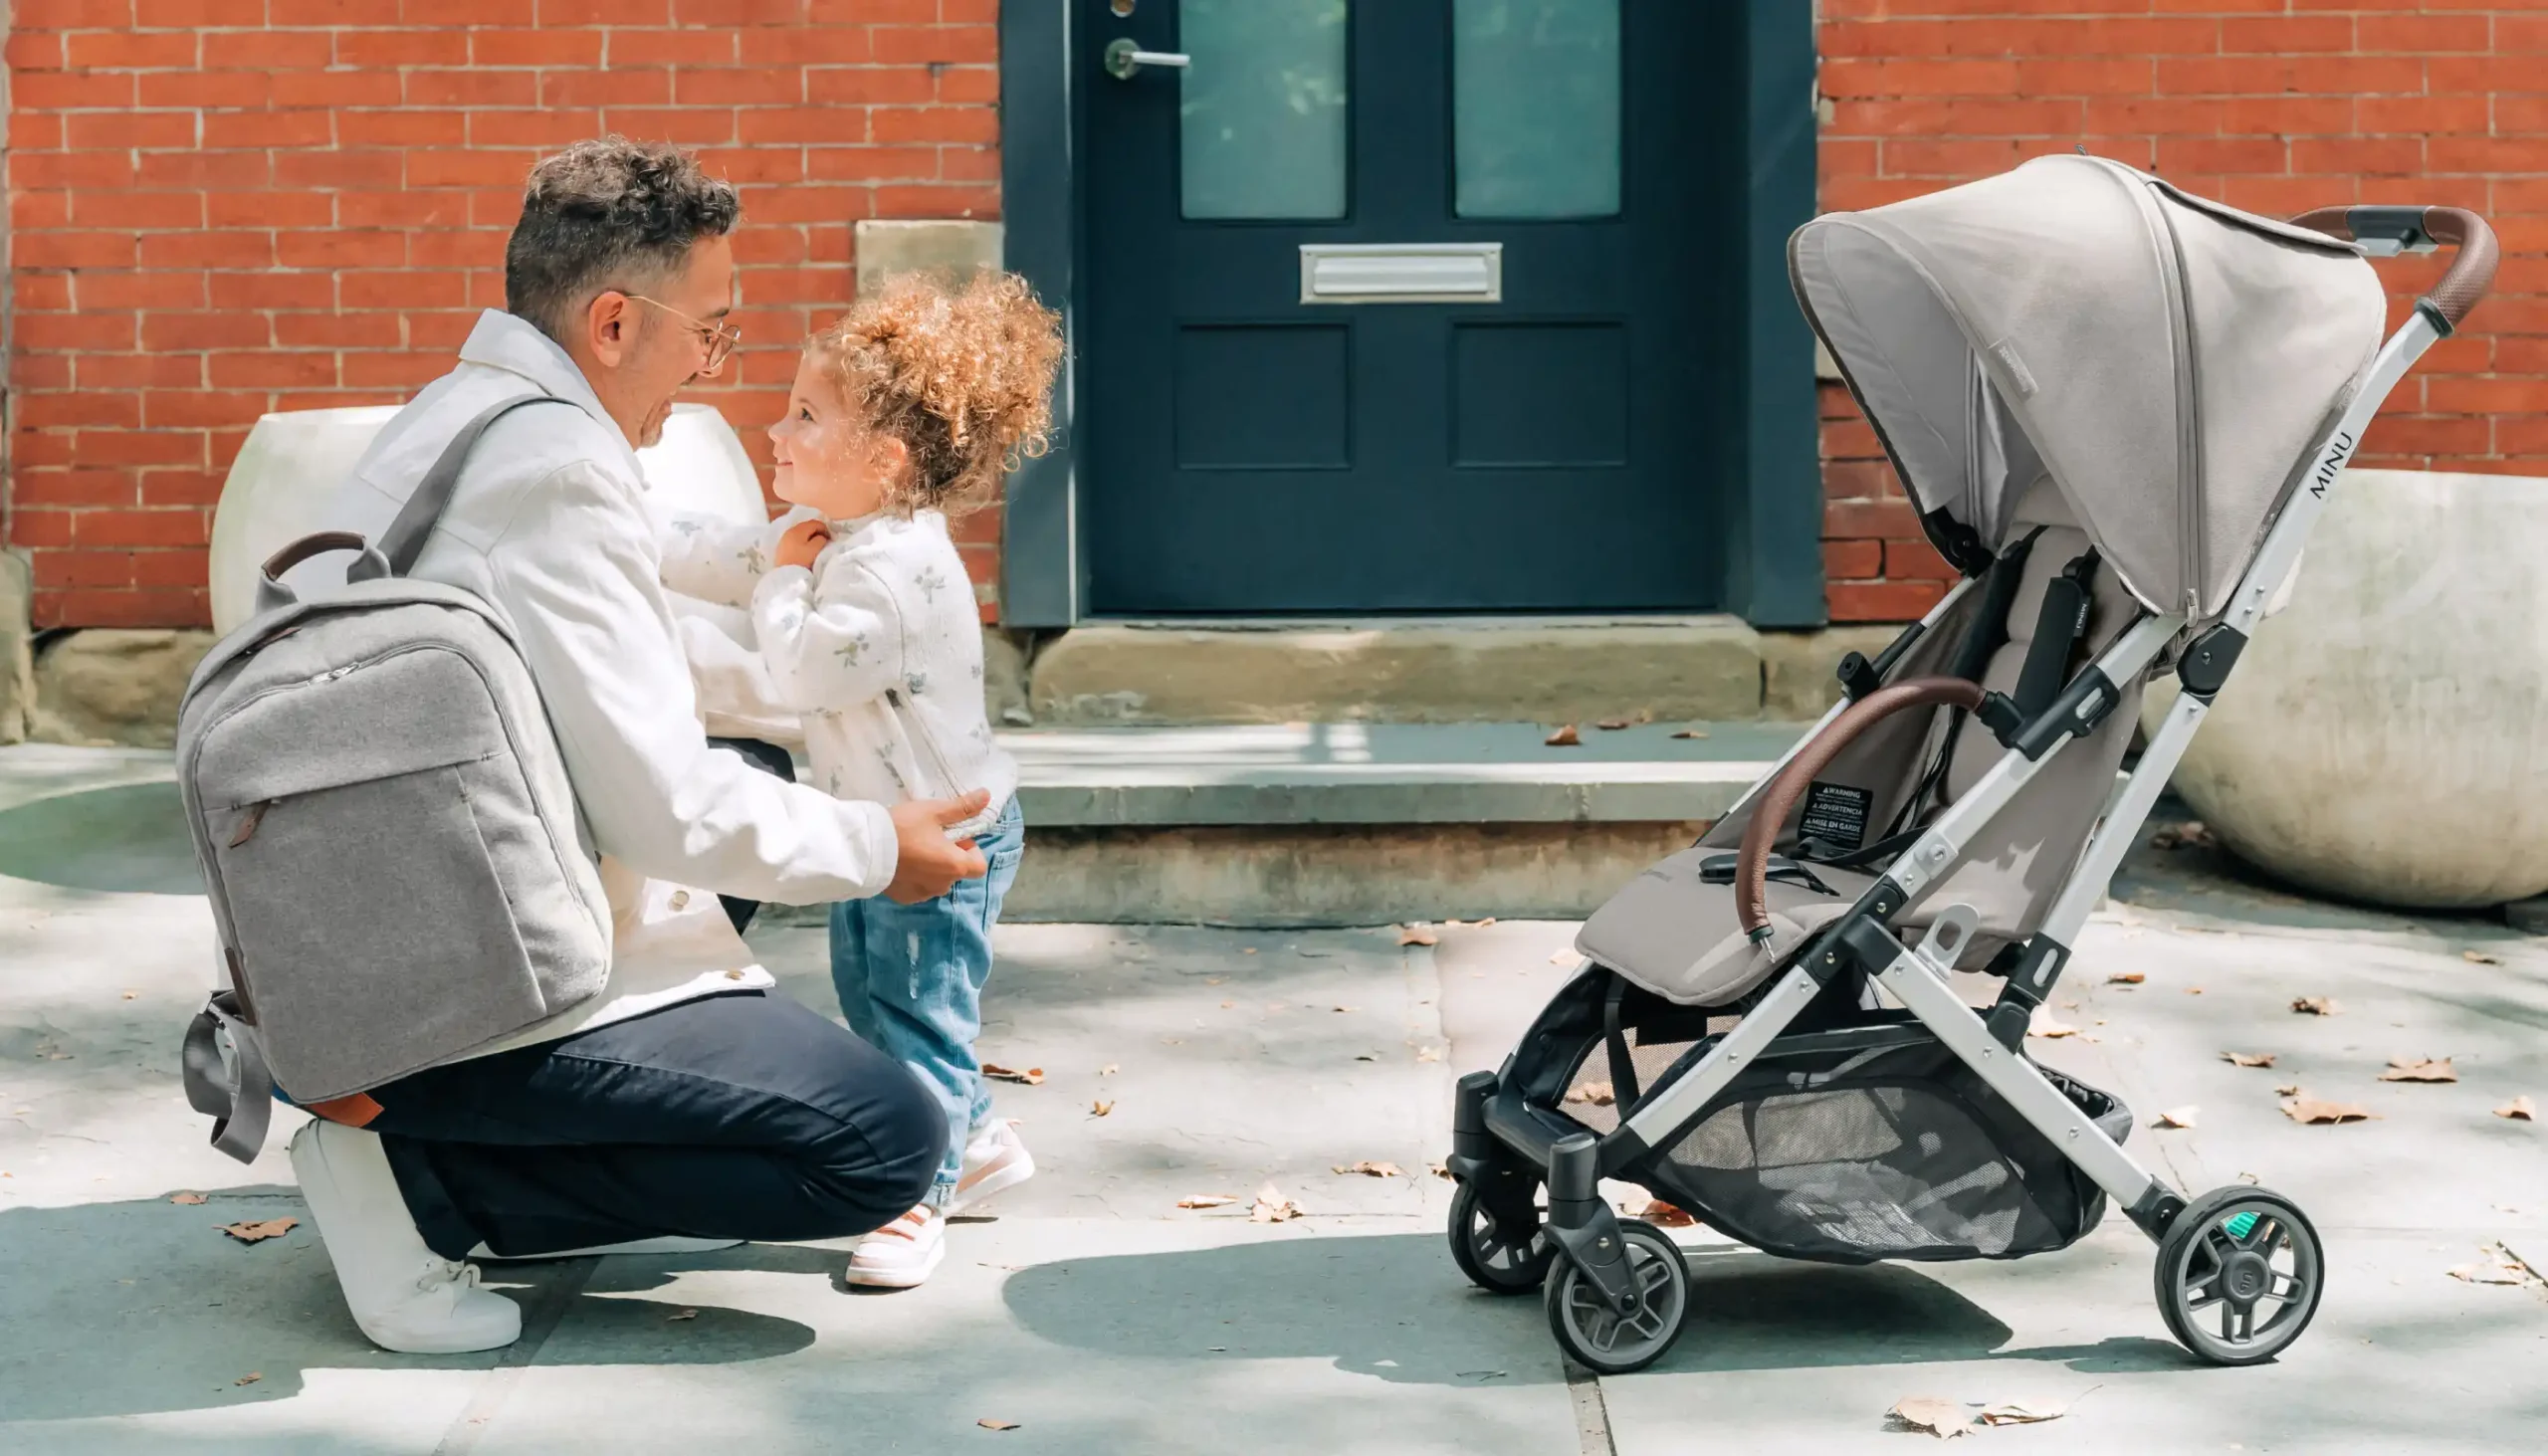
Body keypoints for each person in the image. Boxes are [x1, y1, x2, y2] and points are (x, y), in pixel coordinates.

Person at [278, 137, 990, 1354]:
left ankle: (444, 1131)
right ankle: (424, 1185)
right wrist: (878, 845)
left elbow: (620, 655)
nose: (718, 363)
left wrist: (804, 683)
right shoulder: (557, 466)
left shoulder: (464, 413)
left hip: (357, 934)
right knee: (885, 1142)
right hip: (434, 991)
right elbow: (661, 805)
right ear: (613, 322)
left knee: (760, 771)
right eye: (711, 329)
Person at [657, 273, 1062, 1287]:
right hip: (889, 829)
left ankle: (908, 1198)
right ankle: (973, 1147)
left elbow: (796, 665)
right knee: (877, 997)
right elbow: (731, 554)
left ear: (880, 462)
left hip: (945, 837)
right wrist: (631, 538)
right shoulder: (843, 531)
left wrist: (787, 574)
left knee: (917, 1014)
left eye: (805, 415)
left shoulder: (888, 574)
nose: (776, 429)